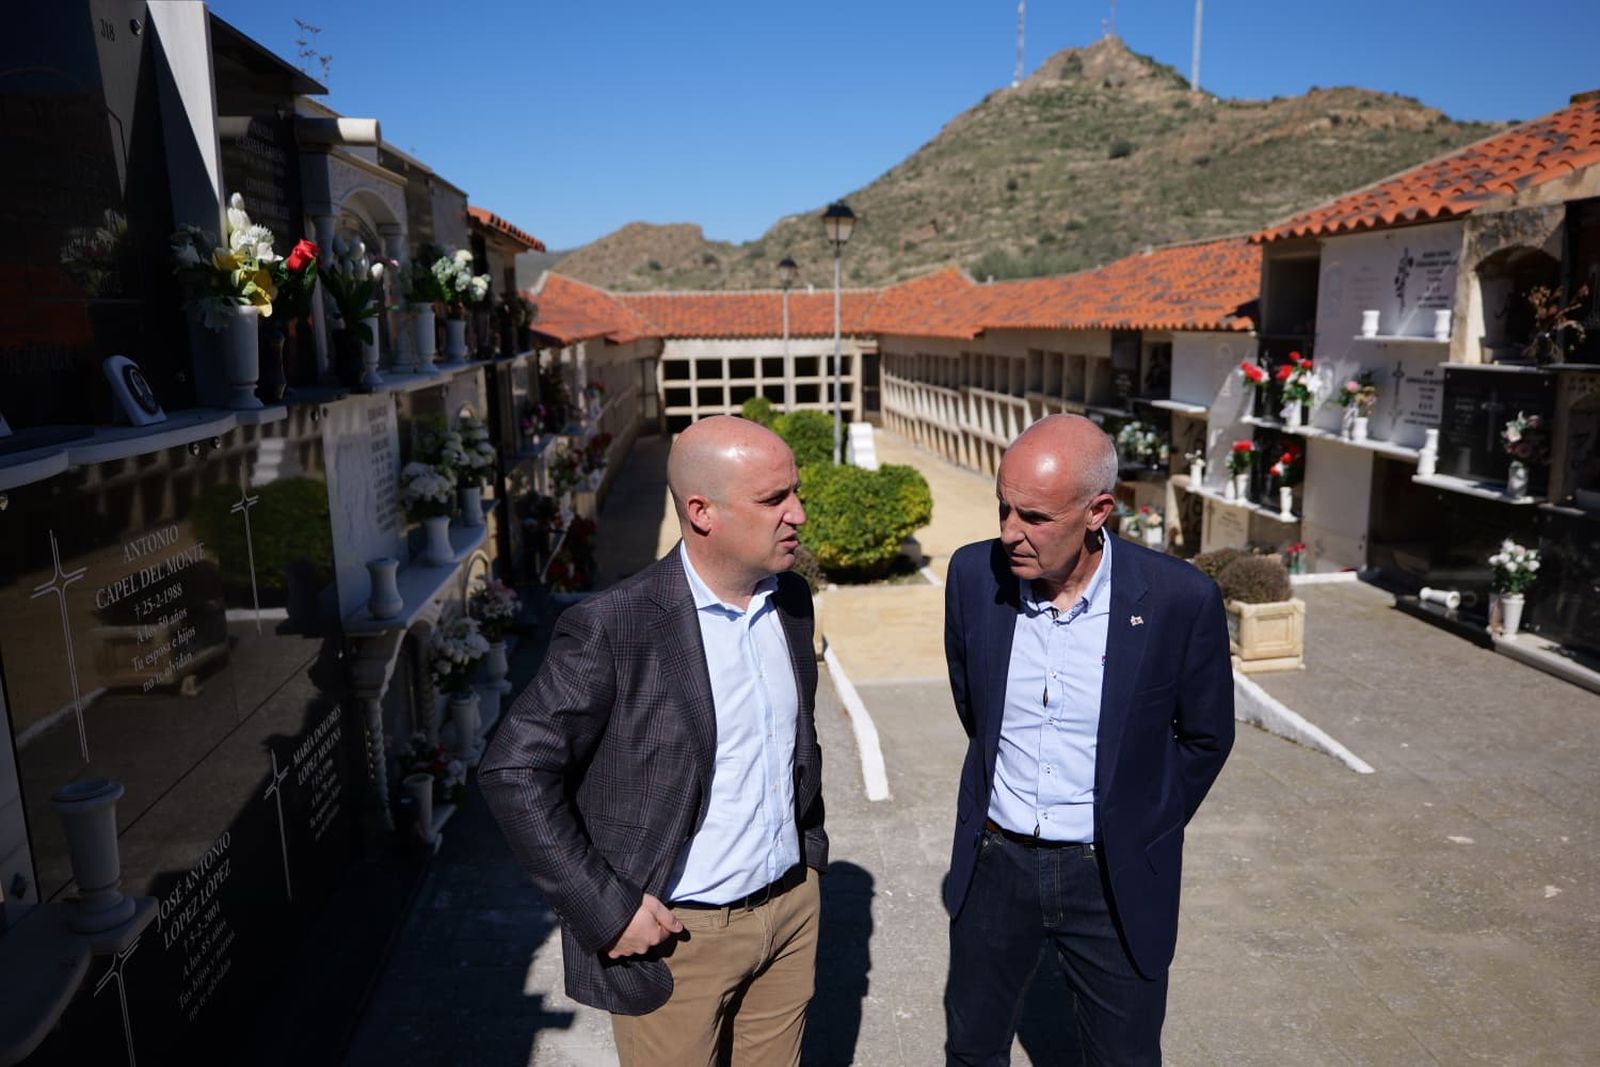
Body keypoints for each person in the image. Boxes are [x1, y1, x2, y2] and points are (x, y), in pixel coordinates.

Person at [480, 415, 827, 1066]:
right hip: (679, 940)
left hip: (790, 915)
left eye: (795, 492)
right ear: (702, 511)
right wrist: (605, 909)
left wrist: (809, 860)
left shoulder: (792, 603)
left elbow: (795, 745)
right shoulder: (614, 625)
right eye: (775, 498)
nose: (798, 514)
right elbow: (513, 768)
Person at [941, 414, 1234, 1065]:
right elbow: (977, 708)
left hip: (1112, 874)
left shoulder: (1177, 599)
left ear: (1098, 509)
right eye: (1003, 508)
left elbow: (1206, 737)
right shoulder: (971, 577)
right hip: (996, 862)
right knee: (970, 1047)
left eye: (1036, 517)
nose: (1010, 533)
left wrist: (1142, 820)